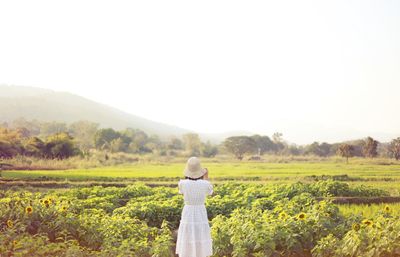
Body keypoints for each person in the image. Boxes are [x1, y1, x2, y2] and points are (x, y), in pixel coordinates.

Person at [175, 156, 213, 257]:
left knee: (188, 232)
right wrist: (206, 177)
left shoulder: (183, 184)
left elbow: (182, 192)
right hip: (200, 210)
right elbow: (210, 192)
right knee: (200, 231)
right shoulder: (205, 184)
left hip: (188, 210)